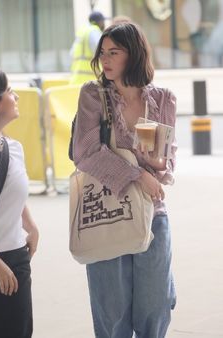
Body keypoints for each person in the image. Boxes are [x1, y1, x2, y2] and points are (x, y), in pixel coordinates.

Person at [73, 23, 177, 338]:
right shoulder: (94, 95)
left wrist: (157, 162)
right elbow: (86, 152)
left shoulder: (160, 99)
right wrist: (137, 173)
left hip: (151, 215)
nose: (105, 60)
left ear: (133, 55)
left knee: (155, 308)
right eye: (102, 53)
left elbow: (164, 163)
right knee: (112, 313)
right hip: (105, 215)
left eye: (113, 52)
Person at [0, 66, 39, 338]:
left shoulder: (13, 148)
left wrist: (30, 225)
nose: (16, 96)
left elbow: (10, 191)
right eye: (9, 91)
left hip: (15, 257)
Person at [69, 11, 106, 85]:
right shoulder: (94, 31)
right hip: (90, 82)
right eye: (103, 21)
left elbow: (71, 54)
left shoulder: (82, 32)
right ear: (100, 22)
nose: (104, 24)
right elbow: (100, 51)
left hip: (76, 81)